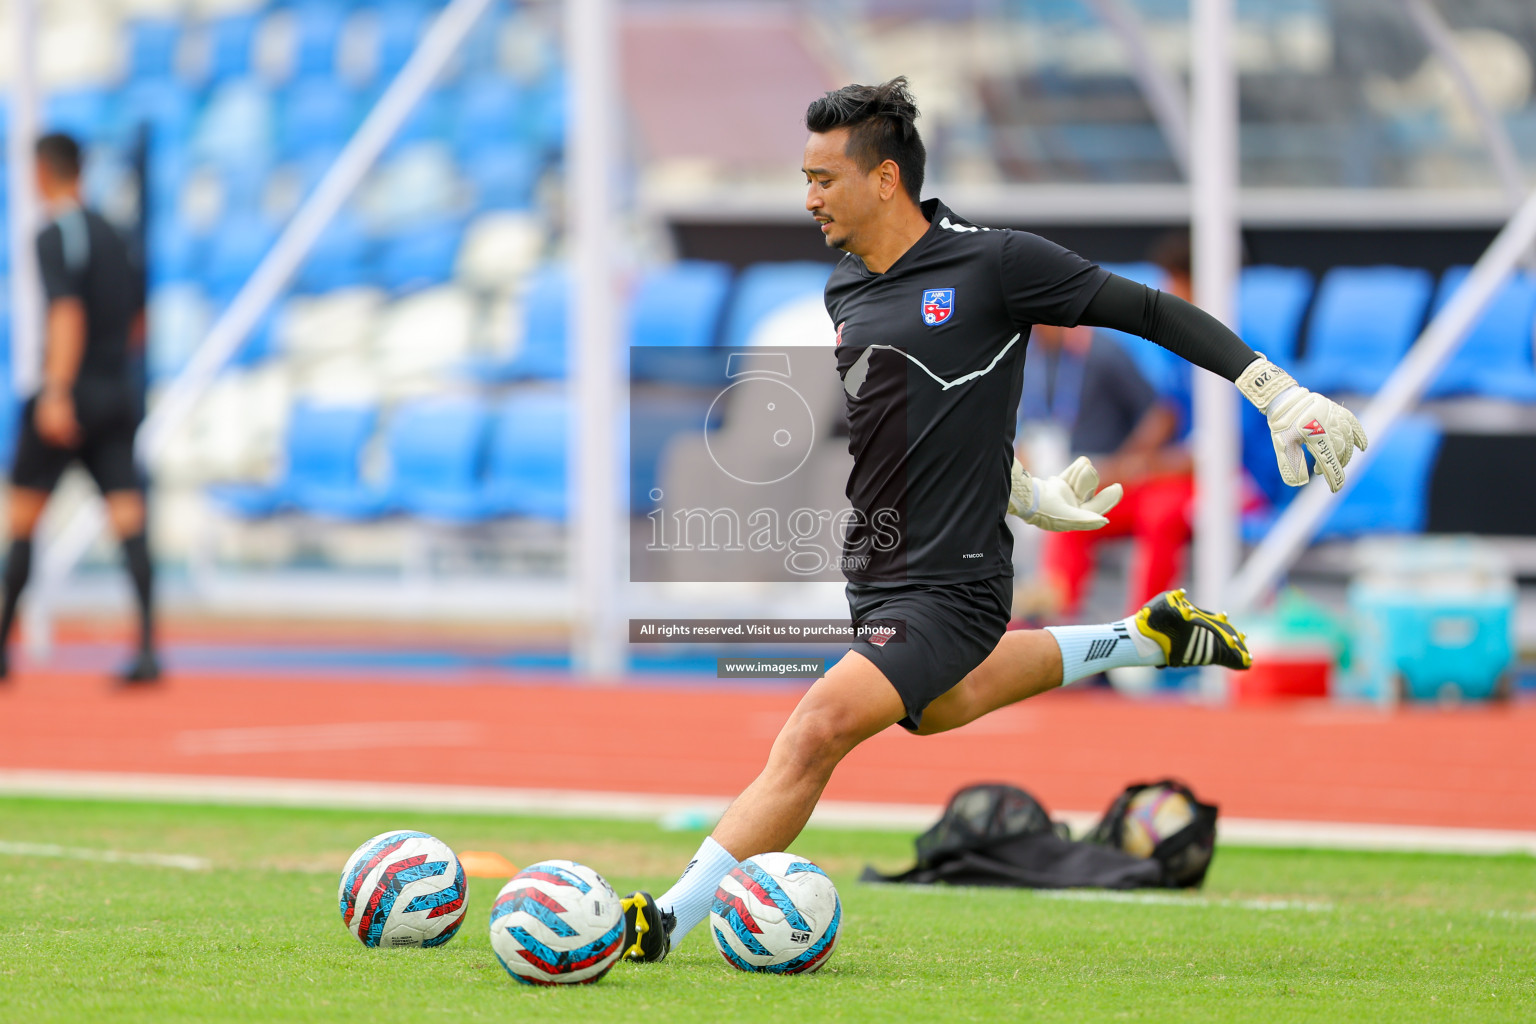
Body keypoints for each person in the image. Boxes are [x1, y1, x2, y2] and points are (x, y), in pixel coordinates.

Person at [618, 79, 1367, 962]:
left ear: (886, 179)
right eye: (805, 177)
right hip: (878, 571)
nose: (809, 195)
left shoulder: (997, 262)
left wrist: (1272, 390)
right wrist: (1019, 485)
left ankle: (666, 919)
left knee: (817, 728)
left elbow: (1148, 310)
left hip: (955, 581)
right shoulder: (846, 286)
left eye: (824, 176)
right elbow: (920, 414)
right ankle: (1143, 636)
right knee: (938, 709)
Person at [0, 133, 158, 683]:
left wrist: (58, 390)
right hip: (116, 390)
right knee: (128, 517)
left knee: (22, 518)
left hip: (73, 392)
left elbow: (66, 315)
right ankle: (147, 648)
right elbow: (142, 321)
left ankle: (2, 648)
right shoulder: (119, 235)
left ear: (42, 172)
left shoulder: (53, 235)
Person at [1039, 233, 1200, 618]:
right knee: (1074, 510)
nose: (1168, 291)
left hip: (1235, 484)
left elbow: (1223, 451)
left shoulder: (1242, 349)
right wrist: (1126, 464)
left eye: (1175, 281)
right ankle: (1053, 628)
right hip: (1172, 476)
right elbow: (1167, 412)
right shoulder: (1186, 348)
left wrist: (1148, 466)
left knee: (1161, 513)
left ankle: (1147, 633)